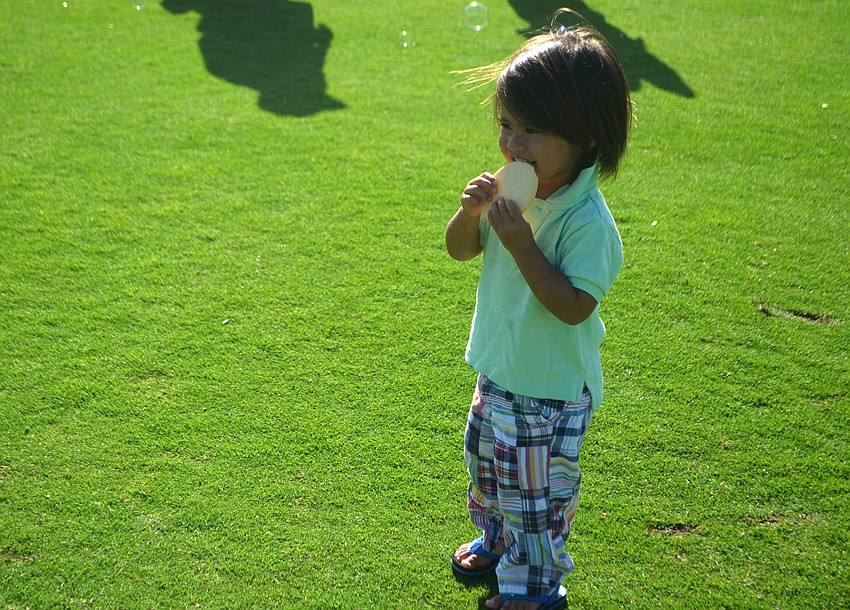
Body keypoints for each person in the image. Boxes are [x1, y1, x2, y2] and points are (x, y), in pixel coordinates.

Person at [445, 10, 632, 610]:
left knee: (535, 496)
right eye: (507, 124)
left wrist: (524, 243)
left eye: (533, 130)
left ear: (587, 138)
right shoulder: (510, 190)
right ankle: (498, 543)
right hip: (499, 368)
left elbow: (575, 306)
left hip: (548, 389)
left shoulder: (587, 223)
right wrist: (471, 214)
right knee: (488, 470)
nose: (513, 143)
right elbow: (459, 251)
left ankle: (534, 588)